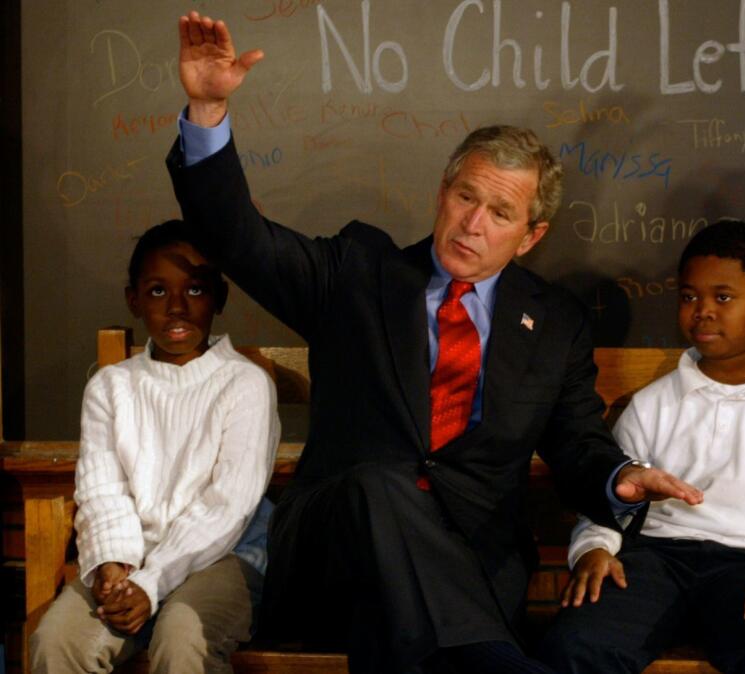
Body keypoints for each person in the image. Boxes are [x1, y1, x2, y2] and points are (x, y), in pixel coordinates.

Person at [168, 11, 703, 673]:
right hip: (335, 554)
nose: (473, 224)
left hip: (470, 571)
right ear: (443, 190)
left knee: (406, 637)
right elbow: (236, 239)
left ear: (530, 236)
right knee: (381, 482)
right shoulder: (357, 273)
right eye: (465, 197)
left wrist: (620, 480)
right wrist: (208, 108)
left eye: (500, 213)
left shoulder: (555, 322)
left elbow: (575, 444)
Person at [539, 220, 745, 674]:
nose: (703, 311)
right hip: (655, 562)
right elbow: (611, 499)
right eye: (690, 297)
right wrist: (595, 547)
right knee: (576, 644)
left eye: (723, 297)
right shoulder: (653, 404)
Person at [29, 220, 280, 673]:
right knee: (56, 640)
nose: (178, 307)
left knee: (183, 638)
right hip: (131, 558)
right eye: (159, 292)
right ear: (134, 300)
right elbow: (103, 490)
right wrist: (112, 562)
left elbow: (229, 507)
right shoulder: (111, 387)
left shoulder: (245, 385)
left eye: (197, 291)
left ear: (220, 298)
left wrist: (152, 581)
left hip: (224, 556)